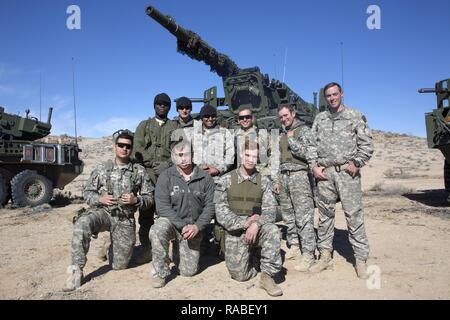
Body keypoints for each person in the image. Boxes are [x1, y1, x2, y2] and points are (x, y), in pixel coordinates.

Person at [64, 129, 154, 291]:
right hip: (103, 214)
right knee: (83, 222)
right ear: (115, 147)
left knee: (119, 266)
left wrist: (137, 200)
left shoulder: (139, 171)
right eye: (121, 145)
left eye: (128, 146)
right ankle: (75, 270)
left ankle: (110, 244)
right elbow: (87, 192)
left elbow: (149, 197)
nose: (124, 149)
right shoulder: (102, 168)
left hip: (125, 219)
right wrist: (99, 199)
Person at [308, 82, 373, 279]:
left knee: (353, 215)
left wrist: (357, 162)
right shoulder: (320, 119)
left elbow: (367, 144)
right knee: (325, 216)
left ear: (342, 94)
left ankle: (360, 259)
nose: (332, 98)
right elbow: (311, 145)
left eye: (335, 94)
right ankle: (325, 255)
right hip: (325, 175)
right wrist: (314, 166)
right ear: (325, 97)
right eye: (328, 95)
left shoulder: (354, 116)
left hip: (347, 173)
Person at [215, 139, 283, 297]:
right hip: (235, 231)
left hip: (256, 228)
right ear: (241, 155)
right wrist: (245, 224)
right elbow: (221, 212)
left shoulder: (264, 181)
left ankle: (267, 276)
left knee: (272, 230)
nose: (250, 159)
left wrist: (256, 224)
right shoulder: (225, 180)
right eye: (247, 155)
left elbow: (270, 211)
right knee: (240, 276)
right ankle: (255, 259)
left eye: (254, 156)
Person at [149, 140, 215, 288]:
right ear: (174, 157)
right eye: (179, 155)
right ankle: (159, 272)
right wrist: (182, 225)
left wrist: (197, 227)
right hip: (173, 224)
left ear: (192, 155)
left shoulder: (205, 178)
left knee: (188, 271)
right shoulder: (166, 177)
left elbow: (210, 206)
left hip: (193, 227)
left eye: (187, 154)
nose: (183, 159)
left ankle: (178, 251)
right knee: (157, 229)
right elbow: (162, 207)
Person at [132, 92, 179, 264]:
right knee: (145, 214)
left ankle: (165, 250)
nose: (162, 106)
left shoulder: (174, 127)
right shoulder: (144, 125)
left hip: (167, 176)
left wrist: (168, 164)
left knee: (165, 213)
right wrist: (151, 163)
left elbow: (179, 149)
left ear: (169, 107)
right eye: (159, 104)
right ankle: (147, 249)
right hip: (147, 175)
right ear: (154, 106)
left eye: (165, 104)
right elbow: (137, 148)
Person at [273, 104, 316, 272]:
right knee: (289, 216)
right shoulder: (281, 134)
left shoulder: (304, 131)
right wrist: (276, 180)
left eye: (286, 115)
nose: (284, 119)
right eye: (281, 117)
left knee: (304, 217)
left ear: (293, 113)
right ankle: (295, 246)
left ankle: (308, 254)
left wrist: (292, 140)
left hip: (299, 175)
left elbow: (310, 154)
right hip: (284, 177)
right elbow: (277, 159)